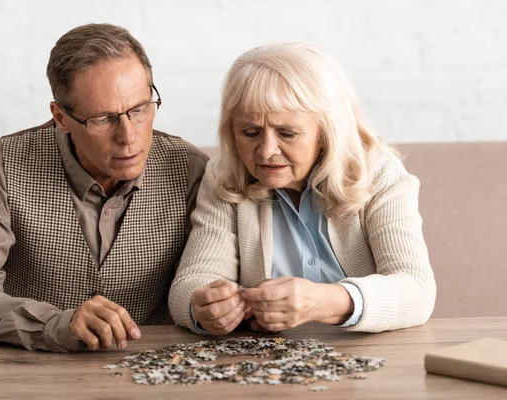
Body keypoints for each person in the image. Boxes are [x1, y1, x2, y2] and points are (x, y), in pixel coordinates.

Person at [0, 23, 208, 352]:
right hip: (29, 369)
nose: (129, 137)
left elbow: (211, 276)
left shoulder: (192, 170)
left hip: (153, 366)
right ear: (60, 117)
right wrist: (52, 324)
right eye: (103, 119)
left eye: (139, 109)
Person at [169, 42, 436, 335]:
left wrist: (323, 302)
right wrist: (203, 307)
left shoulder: (380, 174)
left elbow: (417, 289)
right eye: (250, 132)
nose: (266, 151)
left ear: (326, 132)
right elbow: (190, 284)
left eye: (287, 133)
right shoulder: (224, 175)